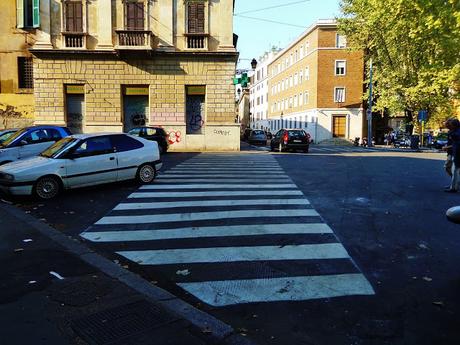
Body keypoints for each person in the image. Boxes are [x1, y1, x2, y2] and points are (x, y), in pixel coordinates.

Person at [444, 119, 460, 192]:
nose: (446, 126)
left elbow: (456, 144)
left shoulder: (455, 133)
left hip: (457, 153)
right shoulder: (453, 132)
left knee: (456, 170)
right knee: (454, 170)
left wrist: (447, 147)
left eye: (448, 124)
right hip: (454, 152)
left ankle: (454, 187)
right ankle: (454, 185)